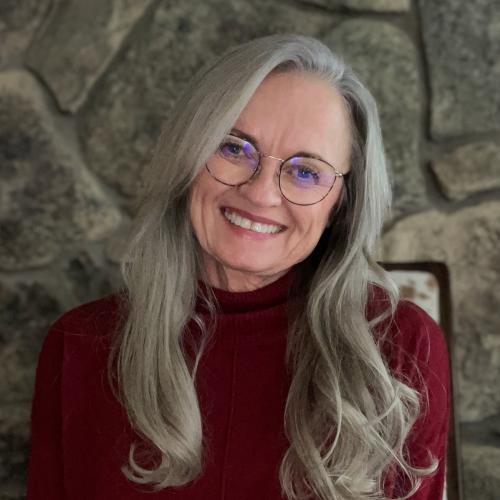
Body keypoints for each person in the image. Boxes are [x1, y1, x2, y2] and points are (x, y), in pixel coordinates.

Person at [27, 34, 450, 500]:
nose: (261, 193)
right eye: (234, 149)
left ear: (341, 205)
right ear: (188, 157)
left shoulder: (402, 350)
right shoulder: (79, 345)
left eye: (306, 171)